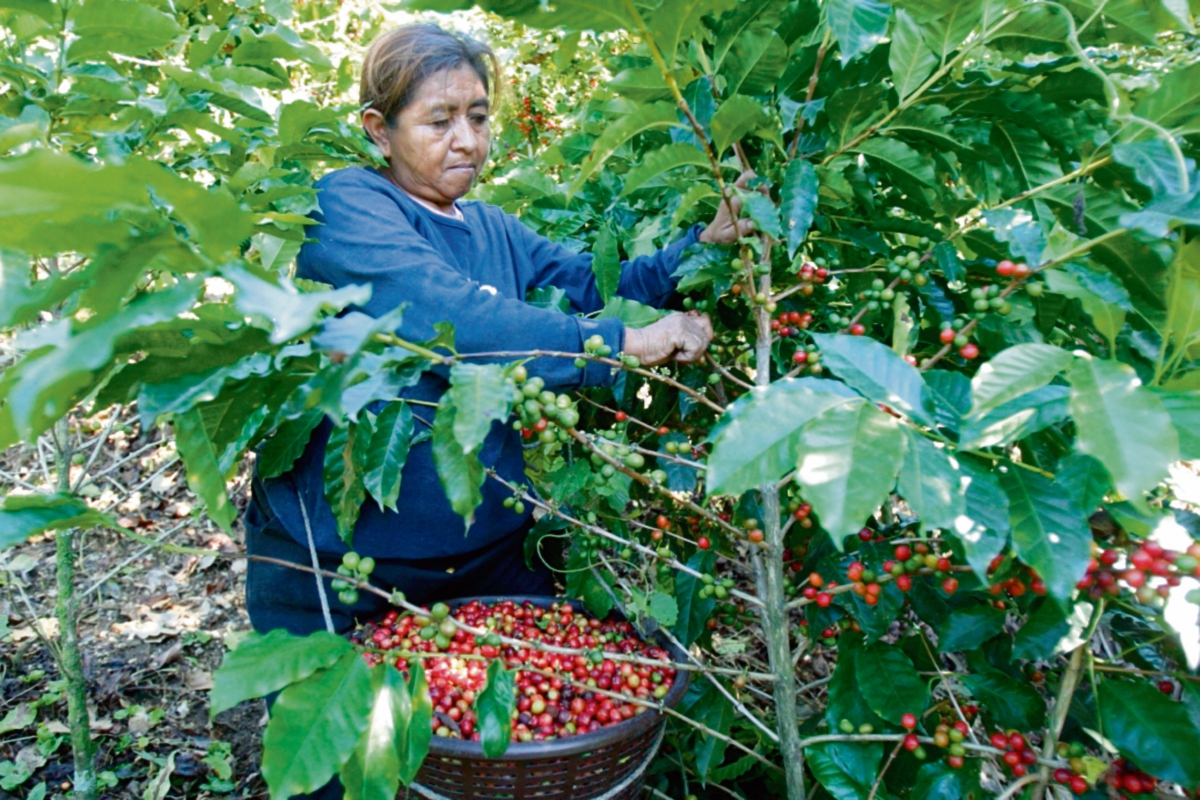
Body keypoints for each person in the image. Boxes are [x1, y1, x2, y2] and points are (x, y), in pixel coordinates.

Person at [241, 22, 752, 797]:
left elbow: (589, 285)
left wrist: (696, 248)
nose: (467, 139)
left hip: (485, 562)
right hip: (344, 574)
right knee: (344, 772)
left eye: (478, 117)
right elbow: (452, 318)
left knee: (506, 751)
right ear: (379, 130)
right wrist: (623, 343)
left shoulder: (490, 228)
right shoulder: (347, 205)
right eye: (438, 120)